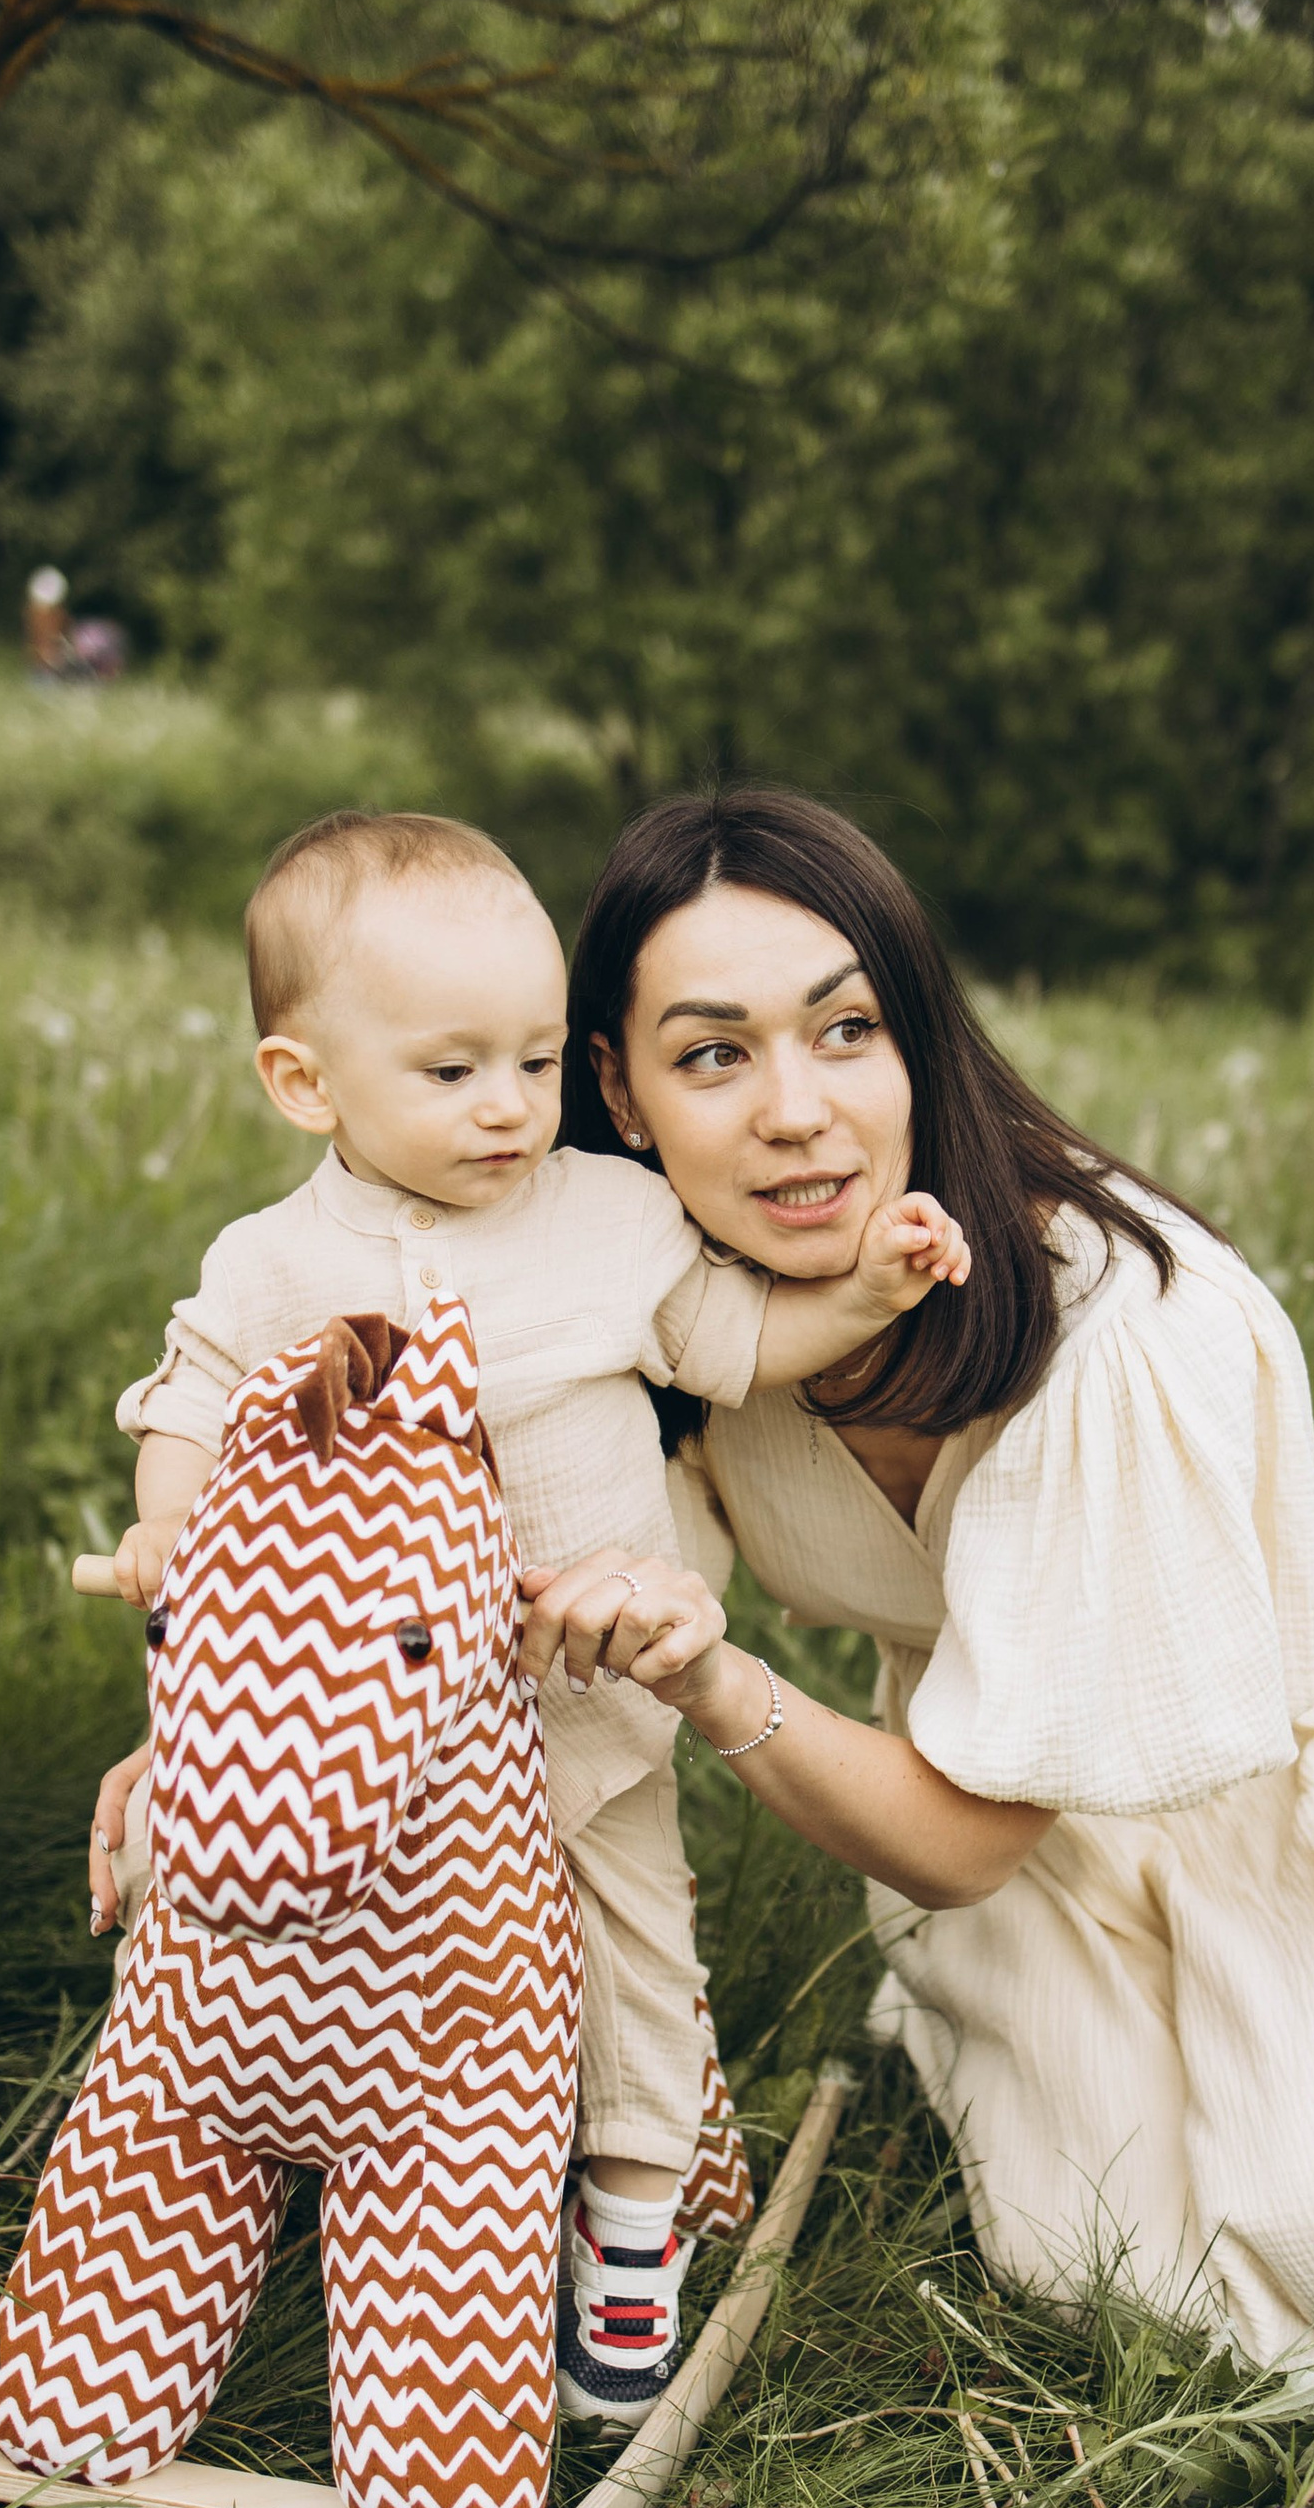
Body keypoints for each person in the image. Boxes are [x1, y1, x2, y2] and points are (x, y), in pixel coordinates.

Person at [492, 786, 1314, 2371]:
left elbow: (964, 1839)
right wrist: (214, 1730)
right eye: (715, 1054)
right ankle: (1019, 2041)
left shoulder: (1123, 1320)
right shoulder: (642, 1317)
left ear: (918, 1043)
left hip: (1278, 1774)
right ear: (619, 1094)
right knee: (1110, 2269)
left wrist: (716, 1683)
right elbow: (493, 1602)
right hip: (991, 1774)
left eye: (846, 1031)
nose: (796, 1111)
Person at [103, 807, 969, 2419]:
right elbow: (195, 1396)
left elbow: (731, 1334)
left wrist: (865, 1291)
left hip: (581, 1696)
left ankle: (627, 2224)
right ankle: (288, 2165)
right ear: (307, 1084)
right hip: (355, 1726)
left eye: (533, 1065)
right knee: (295, 1937)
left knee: (628, 1942)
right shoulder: (279, 1261)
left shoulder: (606, 1218)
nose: (509, 1110)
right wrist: (172, 1530)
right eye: (451, 1074)